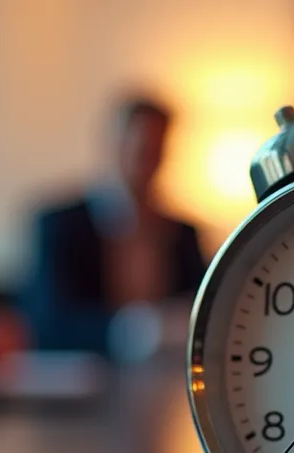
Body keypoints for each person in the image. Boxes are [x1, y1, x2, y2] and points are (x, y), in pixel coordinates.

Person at [23, 97, 207, 355]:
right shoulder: (61, 226)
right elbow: (48, 323)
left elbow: (203, 307)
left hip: (166, 369)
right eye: (141, 150)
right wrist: (131, 331)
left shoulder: (182, 233)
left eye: (156, 151)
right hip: (89, 369)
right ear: (114, 146)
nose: (147, 163)